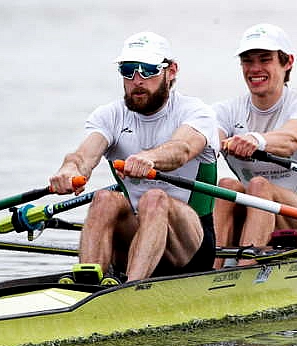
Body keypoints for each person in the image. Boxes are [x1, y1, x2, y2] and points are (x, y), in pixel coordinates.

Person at [49, 31, 220, 284]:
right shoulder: (110, 115)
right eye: (128, 70)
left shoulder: (196, 112)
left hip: (190, 246)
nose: (137, 80)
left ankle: (130, 288)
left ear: (171, 71)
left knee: (154, 198)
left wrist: (149, 158)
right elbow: (83, 156)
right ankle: (87, 283)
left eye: (147, 70)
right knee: (104, 198)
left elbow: (182, 148)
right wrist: (70, 171)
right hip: (138, 235)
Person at [213, 23, 297, 268]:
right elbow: (204, 139)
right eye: (247, 61)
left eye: (265, 60)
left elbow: (292, 139)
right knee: (225, 186)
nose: (255, 69)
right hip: (252, 218)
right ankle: (211, 270)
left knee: (258, 185)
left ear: (287, 63)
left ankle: (245, 269)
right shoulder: (227, 111)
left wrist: (258, 140)